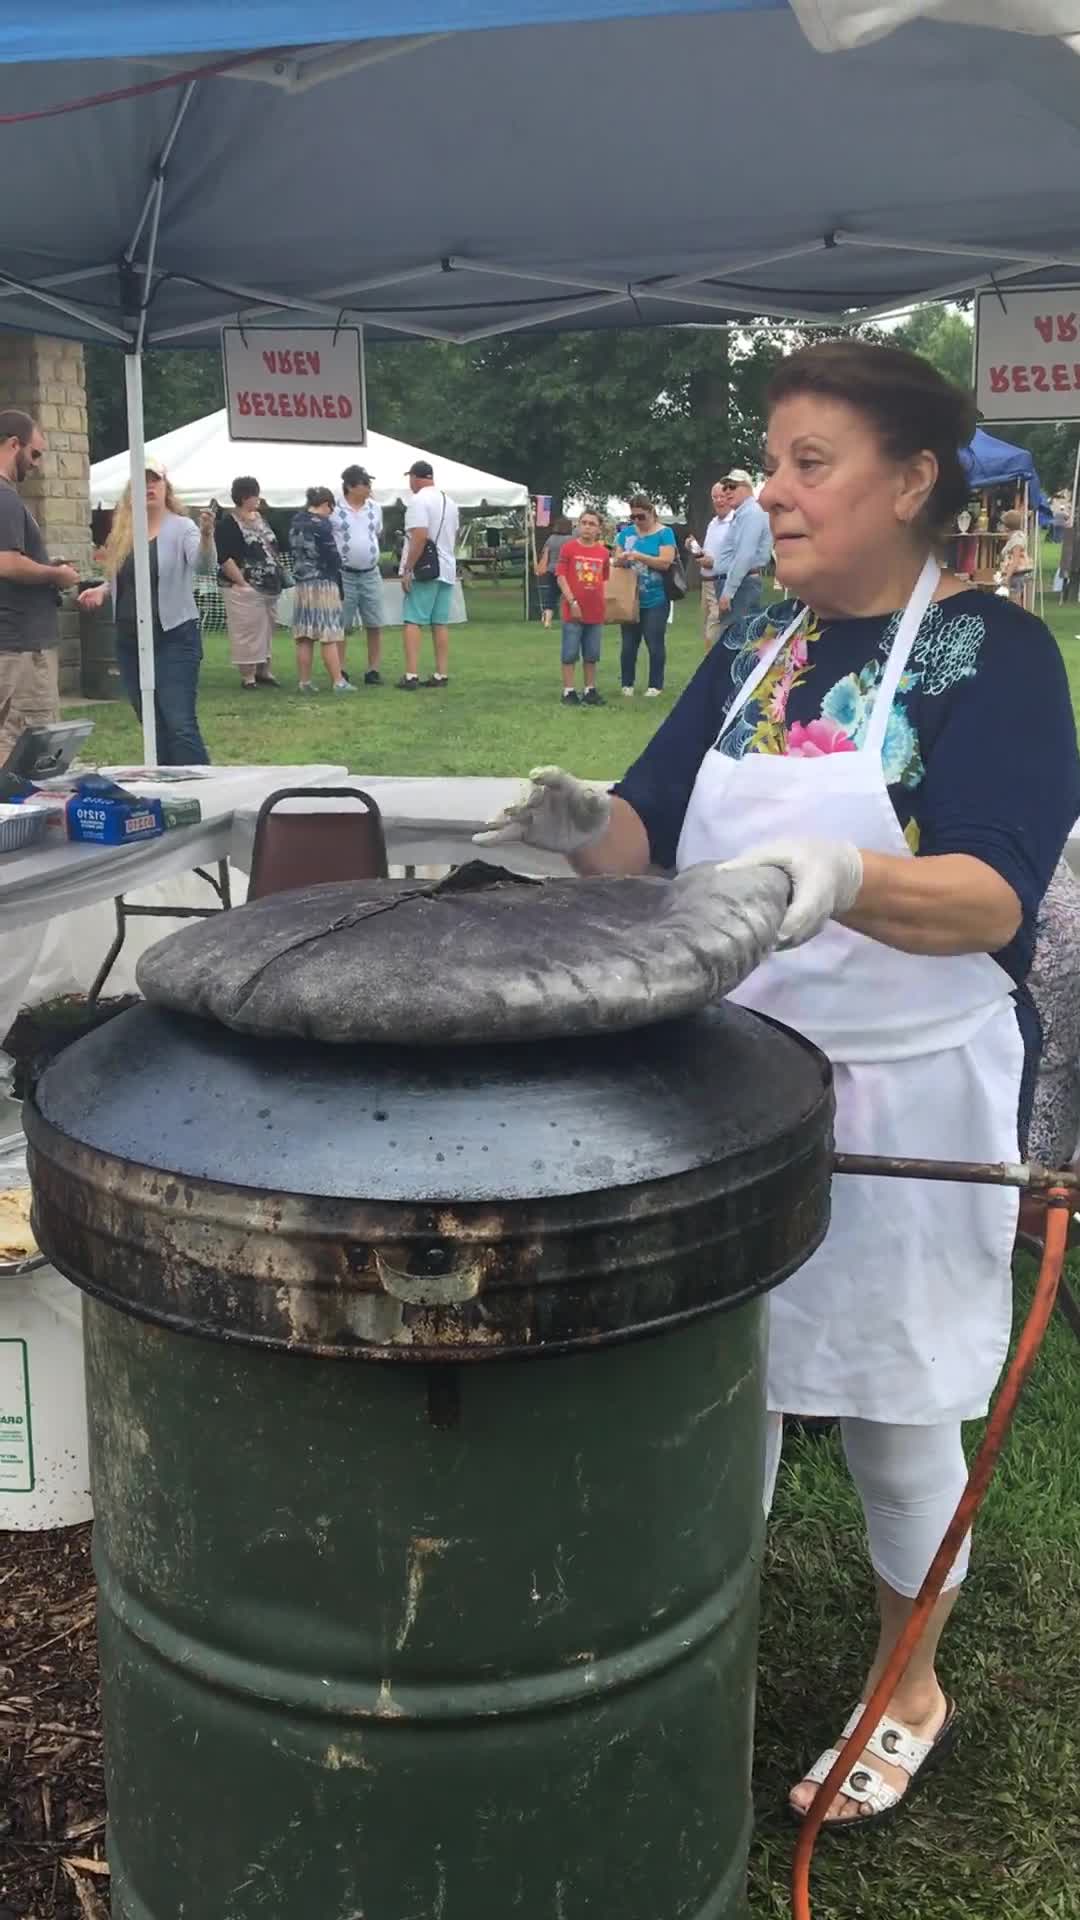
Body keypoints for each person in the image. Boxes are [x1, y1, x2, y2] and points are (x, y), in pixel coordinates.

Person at [476, 339, 1080, 1832]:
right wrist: (577, 821)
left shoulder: (993, 657)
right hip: (735, 1082)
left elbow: (995, 897)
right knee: (712, 1380)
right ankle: (689, 1641)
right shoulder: (764, 636)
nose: (774, 494)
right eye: (772, 460)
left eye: (812, 464)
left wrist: (845, 872)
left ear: (914, 480)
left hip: (904, 1092)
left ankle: (910, 1685)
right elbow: (648, 828)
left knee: (894, 1401)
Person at [78, 468, 215, 764]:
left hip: (174, 635)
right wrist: (103, 590)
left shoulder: (183, 528)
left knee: (179, 722)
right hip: (131, 640)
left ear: (167, 489)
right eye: (142, 482)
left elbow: (203, 567)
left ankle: (203, 788)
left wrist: (206, 536)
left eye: (155, 480)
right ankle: (167, 788)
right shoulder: (124, 533)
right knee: (151, 722)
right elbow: (127, 578)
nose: (149, 486)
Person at [0, 409, 77, 762]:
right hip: (21, 647)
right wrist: (55, 575)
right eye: (34, 453)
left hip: (11, 642)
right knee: (25, 748)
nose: (36, 464)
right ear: (13, 444)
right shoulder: (4, 498)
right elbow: (7, 562)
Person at [214, 477, 286, 691]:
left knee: (266, 629)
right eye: (255, 494)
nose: (258, 499)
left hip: (270, 586)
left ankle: (265, 670)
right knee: (247, 630)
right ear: (245, 497)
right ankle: (248, 676)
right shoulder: (228, 523)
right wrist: (242, 582)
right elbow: (224, 556)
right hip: (244, 585)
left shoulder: (261, 519)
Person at [398, 460, 460, 691]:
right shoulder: (450, 502)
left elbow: (420, 536)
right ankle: (441, 673)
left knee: (413, 619)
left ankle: (411, 674)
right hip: (446, 566)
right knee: (440, 622)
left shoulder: (418, 501)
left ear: (415, 477)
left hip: (425, 568)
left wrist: (407, 568)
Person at [288, 486, 353, 695]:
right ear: (326, 504)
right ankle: (338, 682)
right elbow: (332, 557)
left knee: (305, 636)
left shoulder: (295, 523)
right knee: (329, 634)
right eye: (330, 509)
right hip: (323, 583)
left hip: (302, 584)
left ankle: (304, 682)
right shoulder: (322, 526)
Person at [613, 494, 676, 698]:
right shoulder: (626, 534)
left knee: (654, 640)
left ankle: (655, 685)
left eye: (641, 517)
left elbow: (666, 562)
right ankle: (627, 683)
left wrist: (639, 556)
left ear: (651, 513)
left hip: (657, 597)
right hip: (630, 596)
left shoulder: (665, 533)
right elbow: (616, 559)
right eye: (633, 517)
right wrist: (621, 559)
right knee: (629, 643)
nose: (637, 521)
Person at [332, 464, 385, 685]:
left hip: (370, 573)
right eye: (364, 483)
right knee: (342, 623)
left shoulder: (375, 508)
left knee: (374, 622)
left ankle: (373, 669)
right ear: (350, 486)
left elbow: (378, 532)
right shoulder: (334, 509)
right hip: (345, 574)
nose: (369, 487)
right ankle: (340, 668)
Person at [554, 508, 609, 707]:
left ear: (598, 529)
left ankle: (590, 689)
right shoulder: (568, 549)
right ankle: (568, 690)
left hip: (595, 611)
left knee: (592, 653)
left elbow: (603, 579)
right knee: (570, 652)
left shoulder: (603, 552)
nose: (587, 527)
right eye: (584, 522)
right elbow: (561, 576)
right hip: (573, 611)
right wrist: (572, 602)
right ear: (578, 525)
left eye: (592, 524)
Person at [712, 468, 772, 640]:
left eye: (732, 486)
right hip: (738, 584)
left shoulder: (752, 513)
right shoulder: (743, 514)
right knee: (733, 639)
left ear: (747, 487)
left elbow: (745, 555)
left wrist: (728, 592)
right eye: (725, 488)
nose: (727, 491)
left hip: (741, 586)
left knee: (735, 641)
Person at [688, 480, 734, 651]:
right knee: (707, 631)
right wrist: (695, 548)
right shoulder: (713, 523)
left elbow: (740, 558)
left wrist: (713, 562)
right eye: (715, 497)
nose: (718, 500)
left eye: (722, 496)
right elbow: (708, 553)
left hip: (722, 582)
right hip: (706, 583)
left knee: (713, 631)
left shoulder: (735, 523)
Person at [536, 515, 572, 629]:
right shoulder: (571, 540)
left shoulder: (551, 539)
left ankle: (547, 620)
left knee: (551, 595)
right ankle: (569, 618)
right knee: (568, 595)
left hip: (552, 570)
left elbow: (545, 554)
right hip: (566, 571)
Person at [999, 508, 1032, 606]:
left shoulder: (1017, 539)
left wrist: (1007, 577)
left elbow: (1015, 560)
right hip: (1014, 574)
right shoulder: (1015, 537)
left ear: (1007, 526)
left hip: (1016, 575)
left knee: (1014, 600)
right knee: (1012, 600)